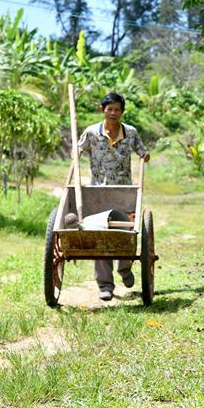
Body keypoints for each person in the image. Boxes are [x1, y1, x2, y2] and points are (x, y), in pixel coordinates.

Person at [78, 92, 150, 301]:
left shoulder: (131, 133)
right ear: (103, 110)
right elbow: (78, 149)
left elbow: (142, 151)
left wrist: (145, 156)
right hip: (98, 192)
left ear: (122, 111)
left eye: (117, 109)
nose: (113, 113)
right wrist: (77, 153)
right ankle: (105, 285)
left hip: (124, 192)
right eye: (109, 109)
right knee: (101, 236)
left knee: (125, 234)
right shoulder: (92, 132)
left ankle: (125, 269)